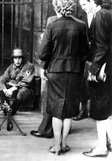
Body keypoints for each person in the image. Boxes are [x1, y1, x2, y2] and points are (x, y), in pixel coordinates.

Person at [38, 0, 89, 155]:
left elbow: (42, 53)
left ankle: (57, 146)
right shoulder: (80, 26)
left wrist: (51, 60)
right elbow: (85, 52)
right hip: (74, 72)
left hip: (55, 71)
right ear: (72, 8)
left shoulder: (52, 26)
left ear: (57, 8)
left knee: (56, 110)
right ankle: (65, 144)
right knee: (69, 110)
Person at [79, 0, 112, 157]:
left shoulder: (99, 16)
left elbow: (101, 47)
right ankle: (107, 144)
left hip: (103, 69)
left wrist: (94, 69)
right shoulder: (108, 14)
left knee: (100, 109)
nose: (82, 7)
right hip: (110, 68)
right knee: (108, 110)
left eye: (85, 3)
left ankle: (102, 148)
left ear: (93, 1)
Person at [30, 15, 58, 139]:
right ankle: (61, 130)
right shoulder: (80, 22)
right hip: (71, 69)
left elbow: (45, 49)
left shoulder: (52, 20)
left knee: (48, 98)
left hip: (53, 67)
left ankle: (46, 129)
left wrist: (43, 67)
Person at [0, 48, 35, 115]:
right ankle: (5, 105)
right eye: (15, 58)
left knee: (22, 92)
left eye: (19, 58)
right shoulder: (11, 67)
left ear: (23, 58)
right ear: (12, 59)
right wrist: (5, 90)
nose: (17, 61)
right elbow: (2, 78)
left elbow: (25, 82)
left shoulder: (29, 66)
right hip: (13, 89)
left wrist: (11, 89)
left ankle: (13, 109)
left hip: (25, 90)